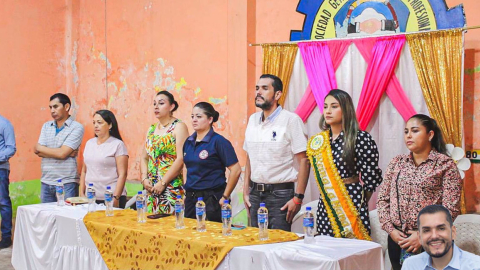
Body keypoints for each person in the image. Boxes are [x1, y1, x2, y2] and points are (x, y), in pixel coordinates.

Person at [377, 114, 463, 270]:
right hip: (398, 239)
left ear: (430, 134)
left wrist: (423, 235)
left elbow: (451, 208)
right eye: (406, 131)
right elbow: (383, 200)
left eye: (415, 131)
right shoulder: (397, 162)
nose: (409, 135)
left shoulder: (445, 165)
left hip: (433, 239)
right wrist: (391, 230)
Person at [307, 89, 382, 240]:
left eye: (334, 106)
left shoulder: (360, 138)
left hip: (351, 202)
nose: (328, 111)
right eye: (326, 106)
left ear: (346, 109)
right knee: (326, 249)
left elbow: (371, 179)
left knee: (351, 252)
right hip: (326, 204)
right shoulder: (320, 141)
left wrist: (355, 201)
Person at [243, 74, 309, 232]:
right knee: (256, 243)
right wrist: (245, 191)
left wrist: (298, 198)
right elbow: (249, 158)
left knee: (279, 245)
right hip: (254, 195)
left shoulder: (291, 120)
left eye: (265, 88)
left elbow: (304, 161)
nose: (259, 92)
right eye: (257, 88)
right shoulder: (252, 120)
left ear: (277, 94)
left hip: (280, 195)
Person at [183, 102, 241, 222]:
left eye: (199, 117)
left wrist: (225, 196)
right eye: (192, 116)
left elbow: (236, 170)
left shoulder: (218, 142)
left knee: (212, 235)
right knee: (190, 235)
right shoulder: (188, 142)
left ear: (210, 119)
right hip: (191, 198)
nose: (194, 120)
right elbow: (187, 168)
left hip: (212, 199)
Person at [141, 91, 189, 214]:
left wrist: (163, 183)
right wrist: (144, 178)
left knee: (171, 226)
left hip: (170, 188)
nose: (156, 107)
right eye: (154, 104)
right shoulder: (151, 129)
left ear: (172, 106)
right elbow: (145, 157)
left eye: (161, 103)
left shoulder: (179, 126)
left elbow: (181, 159)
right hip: (151, 189)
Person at [35, 93, 85, 202]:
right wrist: (61, 152)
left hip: (67, 182)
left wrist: (45, 150)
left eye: (56, 106)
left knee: (67, 216)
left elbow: (62, 153)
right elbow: (37, 150)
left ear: (66, 107)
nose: (52, 110)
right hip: (46, 180)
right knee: (47, 217)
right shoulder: (46, 126)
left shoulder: (76, 127)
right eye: (50, 107)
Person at [403, 204, 480, 270]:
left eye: (441, 228)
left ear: (453, 232)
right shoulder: (411, 265)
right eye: (426, 230)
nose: (434, 236)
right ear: (419, 237)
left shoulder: (475, 266)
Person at [79, 110, 128, 208]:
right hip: (90, 197)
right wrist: (81, 193)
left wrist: (116, 198)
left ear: (110, 125)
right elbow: (84, 171)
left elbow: (122, 174)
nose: (96, 126)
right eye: (94, 123)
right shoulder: (89, 143)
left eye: (100, 122)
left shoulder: (118, 145)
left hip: (110, 197)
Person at [0, 115, 16, 248]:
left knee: (3, 202)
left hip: (0, 168)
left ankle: (6, 237)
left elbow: (11, 148)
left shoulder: (4, 124)